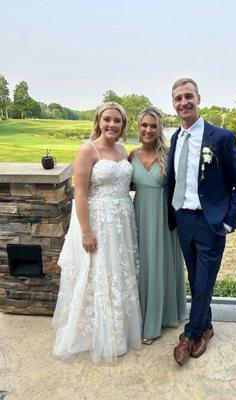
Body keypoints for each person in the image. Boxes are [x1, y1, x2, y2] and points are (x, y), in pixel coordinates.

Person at [167, 78, 236, 366]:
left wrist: (227, 222)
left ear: (199, 99)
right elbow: (173, 180)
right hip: (184, 219)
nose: (183, 102)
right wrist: (174, 216)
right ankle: (207, 327)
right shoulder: (176, 138)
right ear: (173, 103)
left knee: (203, 283)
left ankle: (190, 335)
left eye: (188, 96)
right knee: (198, 280)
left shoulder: (222, 138)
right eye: (177, 98)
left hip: (211, 223)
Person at [52, 102, 142, 363]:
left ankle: (118, 329)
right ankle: (97, 335)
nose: (112, 125)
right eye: (107, 119)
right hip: (99, 221)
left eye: (117, 120)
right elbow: (79, 192)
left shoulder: (123, 149)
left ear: (123, 125)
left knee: (118, 272)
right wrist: (85, 232)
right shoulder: (88, 150)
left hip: (122, 221)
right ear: (98, 121)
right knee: (98, 272)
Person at [129, 107, 186, 345]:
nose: (148, 129)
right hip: (140, 215)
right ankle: (139, 317)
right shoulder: (131, 155)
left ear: (160, 128)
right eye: (144, 125)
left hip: (164, 219)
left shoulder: (170, 153)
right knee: (142, 265)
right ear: (138, 127)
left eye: (153, 125)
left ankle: (156, 321)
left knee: (159, 265)